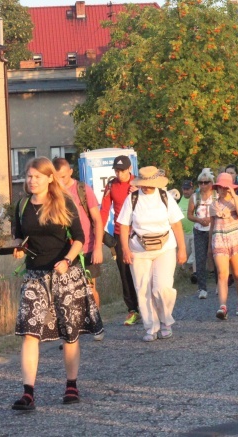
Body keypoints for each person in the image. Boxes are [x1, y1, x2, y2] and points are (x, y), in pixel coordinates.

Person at [11, 157, 103, 411]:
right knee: (29, 333)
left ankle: (71, 385)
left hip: (65, 273)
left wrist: (66, 260)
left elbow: (79, 238)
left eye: (37, 177)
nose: (31, 181)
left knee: (69, 332)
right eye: (29, 176)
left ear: (49, 178)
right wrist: (19, 246)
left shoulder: (64, 202)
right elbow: (19, 234)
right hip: (35, 276)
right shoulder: (22, 205)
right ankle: (28, 392)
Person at [117, 166, 186, 341]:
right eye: (143, 183)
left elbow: (177, 224)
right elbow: (124, 225)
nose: (146, 187)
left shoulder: (165, 197)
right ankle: (151, 326)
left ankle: (165, 321)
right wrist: (125, 249)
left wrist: (182, 249)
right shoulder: (132, 199)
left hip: (165, 247)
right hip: (139, 249)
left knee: (162, 287)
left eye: (149, 183)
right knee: (142, 289)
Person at [53, 158, 104, 322]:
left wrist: (97, 248)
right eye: (57, 177)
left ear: (70, 172)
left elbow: (97, 219)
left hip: (87, 246)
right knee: (69, 291)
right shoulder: (53, 192)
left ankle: (96, 321)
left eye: (63, 176)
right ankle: (75, 324)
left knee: (90, 288)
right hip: (65, 249)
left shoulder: (82, 189)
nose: (60, 180)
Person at [99, 155, 141, 326]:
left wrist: (139, 193)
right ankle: (132, 310)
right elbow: (104, 210)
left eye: (122, 170)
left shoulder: (138, 183)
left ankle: (148, 306)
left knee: (141, 271)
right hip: (119, 233)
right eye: (116, 170)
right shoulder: (111, 185)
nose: (119, 174)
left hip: (138, 233)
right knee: (125, 273)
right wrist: (100, 232)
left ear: (129, 169)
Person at [209, 173, 238, 319]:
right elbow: (212, 225)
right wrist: (209, 245)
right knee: (222, 274)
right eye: (219, 187)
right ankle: (223, 306)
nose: (222, 190)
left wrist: (233, 193)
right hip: (219, 238)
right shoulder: (214, 204)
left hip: (236, 237)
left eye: (225, 187)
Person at [188, 168, 215, 299]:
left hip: (214, 230)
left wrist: (210, 219)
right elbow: (189, 215)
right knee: (200, 259)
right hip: (199, 230)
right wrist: (199, 219)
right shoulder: (194, 197)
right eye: (200, 182)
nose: (203, 185)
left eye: (206, 182)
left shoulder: (216, 196)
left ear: (211, 183)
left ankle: (219, 285)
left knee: (216, 258)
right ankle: (202, 288)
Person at [178, 180, 196, 281]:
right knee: (186, 254)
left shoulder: (195, 199)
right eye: (184, 189)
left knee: (195, 254)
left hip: (195, 231)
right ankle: (184, 274)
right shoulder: (179, 201)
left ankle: (195, 273)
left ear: (192, 189)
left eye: (188, 189)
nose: (186, 191)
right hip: (183, 232)